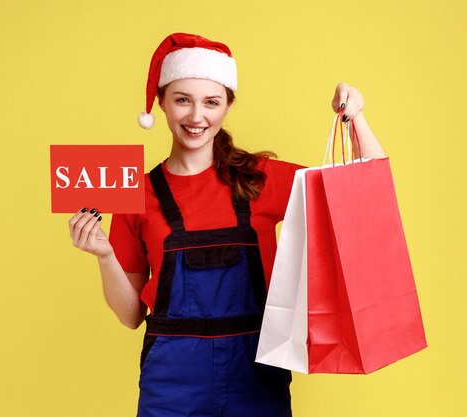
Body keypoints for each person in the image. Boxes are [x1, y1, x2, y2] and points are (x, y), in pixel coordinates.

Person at [68, 33, 386, 417]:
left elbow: (366, 192)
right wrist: (103, 255)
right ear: (162, 103)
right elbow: (130, 315)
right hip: (171, 386)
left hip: (255, 377)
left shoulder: (260, 180)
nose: (196, 116)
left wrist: (355, 117)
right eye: (182, 100)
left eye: (211, 103)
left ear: (227, 106)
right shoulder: (138, 194)